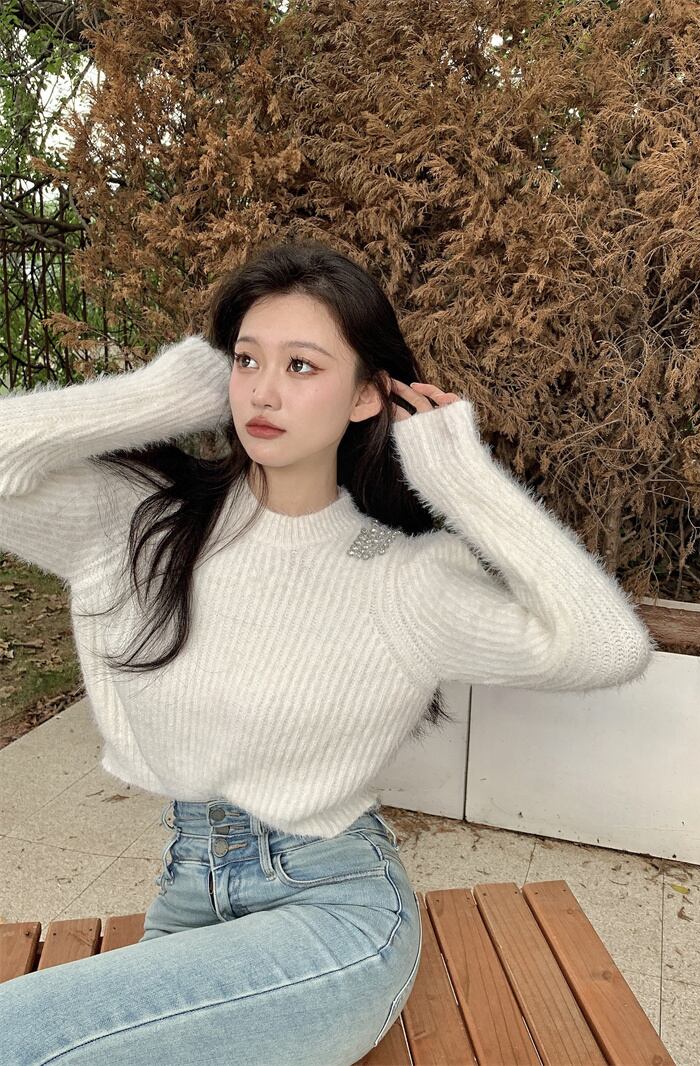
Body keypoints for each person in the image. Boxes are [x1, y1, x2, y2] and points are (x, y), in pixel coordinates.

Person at [0, 239, 657, 1064]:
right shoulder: (144, 524)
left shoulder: (397, 574)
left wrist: (461, 477)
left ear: (365, 396)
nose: (263, 391)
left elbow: (604, 648)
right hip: (188, 894)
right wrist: (160, 395)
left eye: (302, 366)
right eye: (246, 360)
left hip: (333, 911)